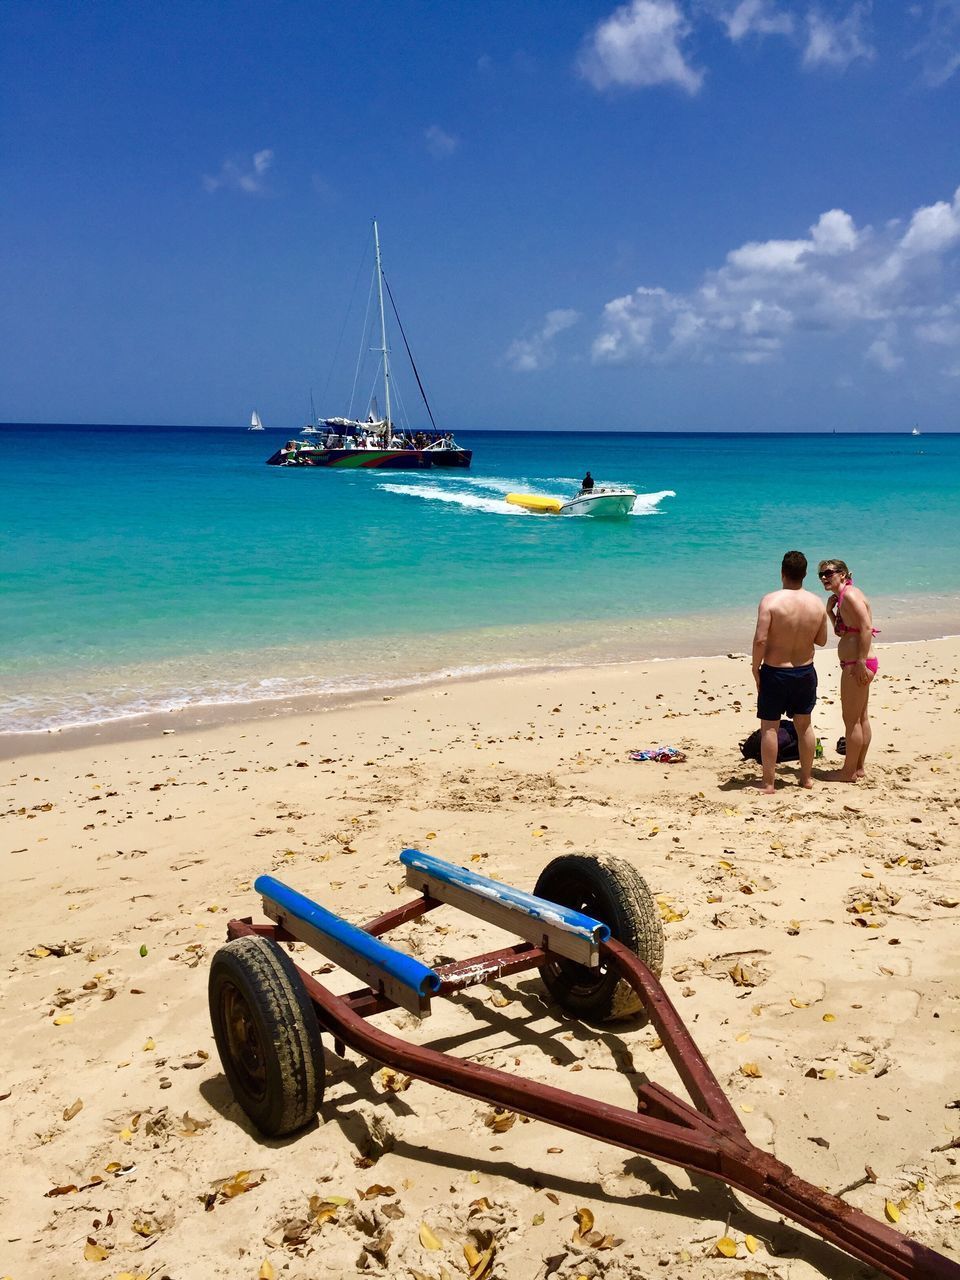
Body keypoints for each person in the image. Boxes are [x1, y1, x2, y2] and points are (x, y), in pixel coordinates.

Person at [751, 550, 828, 793]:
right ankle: (806, 778)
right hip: (804, 671)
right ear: (805, 574)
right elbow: (822, 640)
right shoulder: (816, 603)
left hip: (776, 671)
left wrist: (755, 669)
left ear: (782, 572)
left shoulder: (770, 601)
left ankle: (769, 783)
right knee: (804, 725)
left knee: (770, 727)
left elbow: (760, 640)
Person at [818, 559, 879, 782]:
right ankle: (859, 767)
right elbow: (844, 631)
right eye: (821, 575)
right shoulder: (843, 597)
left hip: (858, 663)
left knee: (851, 719)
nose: (824, 577)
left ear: (842, 574)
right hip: (857, 662)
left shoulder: (850, 595)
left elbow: (865, 627)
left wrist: (861, 661)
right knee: (861, 717)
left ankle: (848, 771)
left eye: (828, 573)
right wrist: (829, 612)